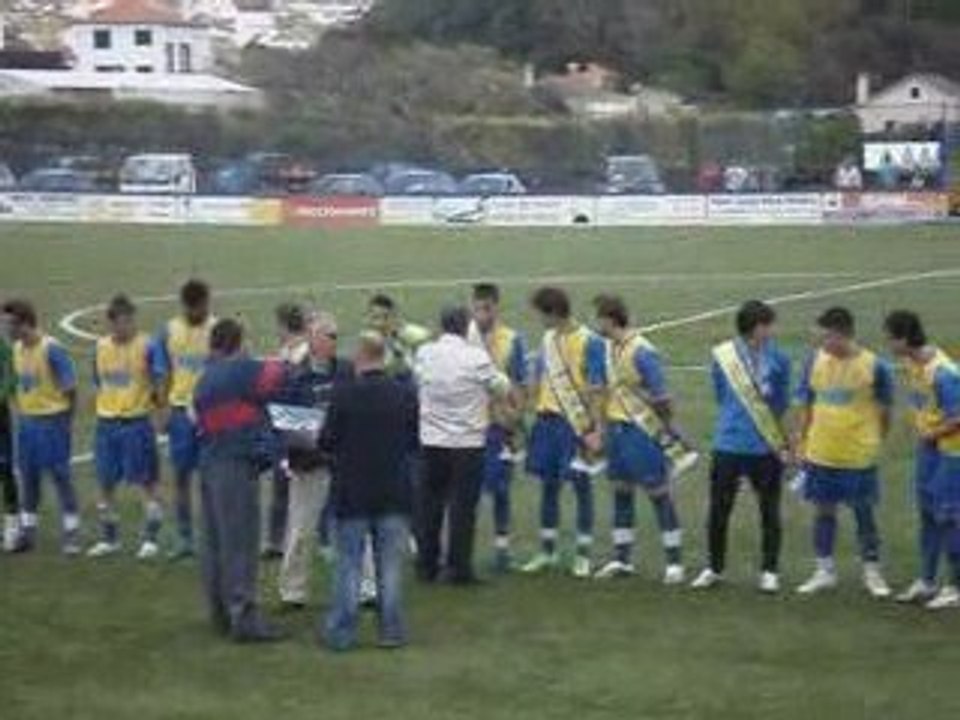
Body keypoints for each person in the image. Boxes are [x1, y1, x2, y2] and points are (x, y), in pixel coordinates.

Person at [193, 318, 288, 642]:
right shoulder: (237, 370)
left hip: (210, 462)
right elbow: (276, 377)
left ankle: (220, 612)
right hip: (234, 463)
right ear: (238, 343)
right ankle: (244, 617)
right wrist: (290, 353)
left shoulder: (205, 377)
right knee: (240, 541)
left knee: (215, 541)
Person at [322, 331, 418, 651]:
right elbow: (413, 439)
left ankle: (342, 632)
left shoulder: (344, 395)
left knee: (348, 565)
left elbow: (327, 441)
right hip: (394, 491)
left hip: (353, 492)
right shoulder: (403, 394)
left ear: (361, 357)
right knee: (389, 567)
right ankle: (391, 631)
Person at [592, 295, 695, 584]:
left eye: (599, 318)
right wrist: (601, 429)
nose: (596, 324)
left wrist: (670, 428)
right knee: (621, 491)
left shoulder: (643, 350)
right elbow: (605, 390)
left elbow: (661, 395)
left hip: (642, 430)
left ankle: (675, 563)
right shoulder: (609, 348)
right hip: (617, 429)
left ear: (610, 320)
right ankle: (622, 560)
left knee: (658, 493)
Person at [691, 300, 791, 593]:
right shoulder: (724, 356)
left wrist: (775, 434)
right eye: (768, 325)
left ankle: (770, 571)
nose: (772, 330)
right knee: (719, 509)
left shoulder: (779, 358)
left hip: (765, 445)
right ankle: (714, 568)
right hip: (729, 443)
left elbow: (781, 401)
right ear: (756, 327)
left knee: (769, 509)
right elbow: (721, 393)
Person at [794, 307, 893, 598]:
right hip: (821, 452)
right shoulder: (814, 360)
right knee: (823, 510)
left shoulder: (875, 366)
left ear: (842, 335)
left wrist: (875, 440)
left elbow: (886, 410)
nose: (822, 343)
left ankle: (872, 571)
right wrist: (801, 441)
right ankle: (824, 570)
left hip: (858, 455)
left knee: (863, 512)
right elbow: (806, 404)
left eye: (826, 337)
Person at [416, 305, 511, 584]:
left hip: (432, 440)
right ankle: (458, 567)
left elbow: (417, 378)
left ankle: (427, 564)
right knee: (462, 507)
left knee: (430, 504)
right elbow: (501, 386)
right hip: (466, 444)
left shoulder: (426, 353)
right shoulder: (476, 358)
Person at [521, 287, 606, 578]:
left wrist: (593, 429)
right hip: (547, 423)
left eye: (540, 314)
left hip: (575, 425)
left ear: (553, 312)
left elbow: (597, 388)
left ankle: (583, 555)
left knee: (581, 486)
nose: (539, 321)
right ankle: (547, 551)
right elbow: (540, 376)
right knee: (548, 486)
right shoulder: (547, 339)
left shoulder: (589, 341)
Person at [277, 311, 353, 608]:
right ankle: (292, 591)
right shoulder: (295, 376)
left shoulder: (347, 371)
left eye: (336, 335)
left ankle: (366, 587)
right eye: (330, 335)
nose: (336, 341)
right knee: (300, 529)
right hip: (310, 464)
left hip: (344, 461)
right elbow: (285, 424)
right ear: (313, 338)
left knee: (355, 525)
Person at [885, 311, 960, 610]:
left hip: (952, 451)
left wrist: (933, 433)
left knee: (950, 516)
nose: (888, 344)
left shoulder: (943, 374)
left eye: (891, 338)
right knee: (928, 514)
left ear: (904, 338)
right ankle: (927, 581)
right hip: (929, 448)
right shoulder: (911, 363)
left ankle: (955, 587)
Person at [87, 295, 166, 560]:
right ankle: (110, 539)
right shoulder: (100, 347)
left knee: (147, 481)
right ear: (111, 323)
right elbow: (98, 381)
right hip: (107, 423)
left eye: (131, 321)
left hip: (137, 423)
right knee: (105, 482)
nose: (128, 326)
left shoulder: (147, 345)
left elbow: (158, 379)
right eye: (122, 322)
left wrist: (158, 410)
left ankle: (151, 539)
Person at [2, 299, 80, 554]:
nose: (6, 329)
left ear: (24, 324)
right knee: (28, 477)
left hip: (52, 421)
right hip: (27, 423)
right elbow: (15, 386)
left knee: (60, 477)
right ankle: (27, 532)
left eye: (9, 324)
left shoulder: (51, 349)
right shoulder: (15, 349)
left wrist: (66, 422)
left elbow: (70, 388)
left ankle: (71, 533)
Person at [468, 283, 528, 572]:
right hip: (466, 426)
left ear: (496, 307)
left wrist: (515, 417)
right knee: (467, 490)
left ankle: (503, 549)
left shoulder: (511, 339)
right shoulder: (463, 338)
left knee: (500, 488)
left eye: (487, 308)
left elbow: (519, 382)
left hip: (498, 427)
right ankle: (462, 548)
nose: (481, 314)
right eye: (477, 307)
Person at [156, 279, 215, 560]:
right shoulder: (169, 330)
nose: (196, 312)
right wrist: (162, 409)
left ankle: (211, 536)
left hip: (211, 413)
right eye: (192, 308)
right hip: (180, 412)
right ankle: (184, 537)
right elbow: (163, 372)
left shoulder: (217, 330)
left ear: (207, 303)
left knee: (210, 478)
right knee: (181, 477)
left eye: (200, 307)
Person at [261, 303, 310, 560]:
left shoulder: (302, 355)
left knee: (304, 487)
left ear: (283, 325)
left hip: (298, 428)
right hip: (283, 428)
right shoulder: (287, 352)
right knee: (281, 486)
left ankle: (317, 541)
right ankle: (275, 541)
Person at [0, 313, 25, 552]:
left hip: (0, 418)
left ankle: (12, 524)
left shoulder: (3, 347)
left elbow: (10, 378)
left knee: (5, 469)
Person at [366, 294, 431, 382]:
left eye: (376, 318)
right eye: (372, 317)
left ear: (389, 317)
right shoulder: (372, 341)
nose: (372, 323)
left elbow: (425, 372)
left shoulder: (412, 334)